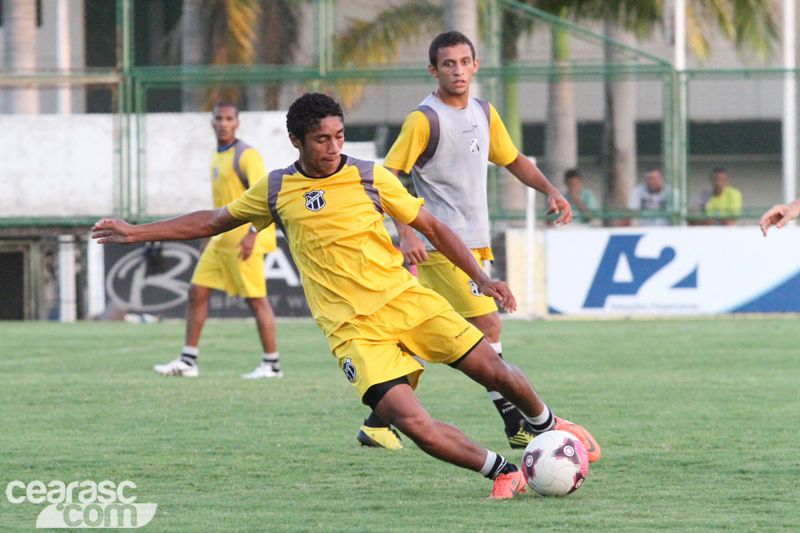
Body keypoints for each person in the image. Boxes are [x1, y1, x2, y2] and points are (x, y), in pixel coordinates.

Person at [92, 92, 599, 499]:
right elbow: (212, 220)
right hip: (352, 331)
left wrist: (483, 279)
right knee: (409, 423)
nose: (333, 147)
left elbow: (431, 226)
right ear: (297, 141)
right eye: (321, 139)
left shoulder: (370, 175)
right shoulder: (275, 190)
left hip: (406, 302)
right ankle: (503, 471)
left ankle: (549, 423)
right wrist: (137, 232)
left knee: (495, 370)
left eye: (338, 136)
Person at [362, 31, 595, 460]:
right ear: (433, 70)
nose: (457, 70)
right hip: (442, 246)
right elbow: (388, 176)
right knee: (488, 328)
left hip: (475, 243)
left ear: (475, 65)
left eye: (464, 61)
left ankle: (377, 422)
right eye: (447, 63)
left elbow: (513, 159)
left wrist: (550, 190)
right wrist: (407, 232)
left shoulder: (484, 113)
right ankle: (517, 428)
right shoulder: (423, 119)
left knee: (426, 334)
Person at [152, 102, 282, 379]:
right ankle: (188, 361)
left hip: (244, 240)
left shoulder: (246, 155)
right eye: (219, 118)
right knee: (196, 292)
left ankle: (272, 364)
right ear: (211, 122)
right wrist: (208, 236)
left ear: (237, 122)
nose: (223, 123)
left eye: (229, 119)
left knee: (256, 300)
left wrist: (252, 234)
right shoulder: (216, 154)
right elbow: (220, 203)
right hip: (219, 240)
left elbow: (266, 196)